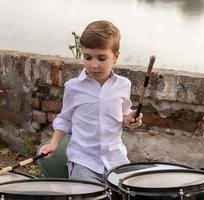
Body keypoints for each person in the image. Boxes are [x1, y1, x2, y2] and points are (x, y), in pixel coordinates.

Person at [40, 20, 143, 183]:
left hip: (116, 160)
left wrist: (130, 118)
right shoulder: (73, 87)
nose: (94, 65)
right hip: (83, 161)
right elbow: (65, 118)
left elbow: (123, 113)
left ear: (115, 57)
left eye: (102, 58)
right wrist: (54, 143)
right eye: (87, 57)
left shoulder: (123, 85)